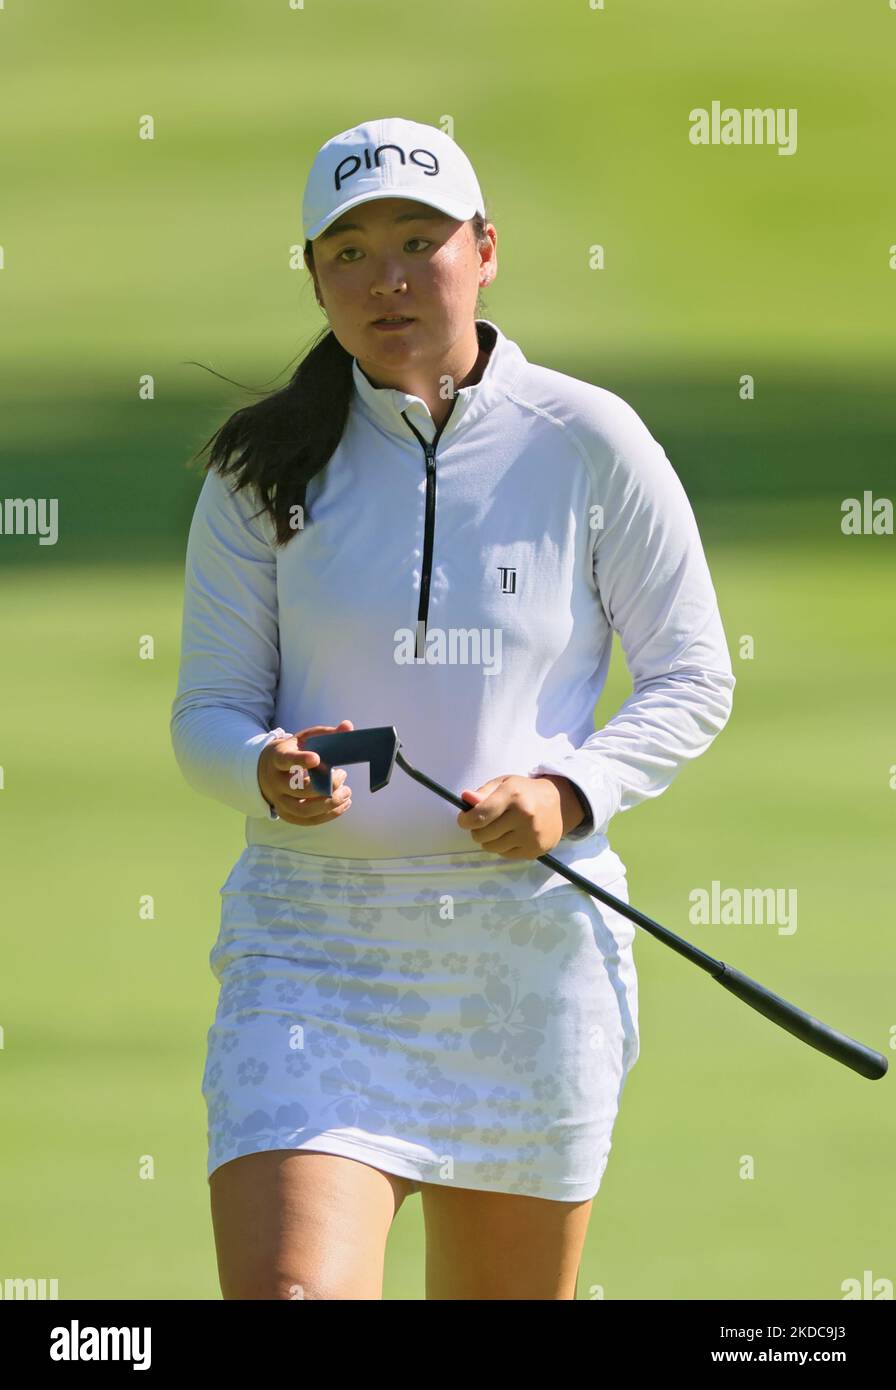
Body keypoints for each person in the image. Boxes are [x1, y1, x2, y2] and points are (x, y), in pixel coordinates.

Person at [169, 116, 736, 1300]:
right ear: (313, 274)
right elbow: (210, 709)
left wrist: (569, 790)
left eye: (417, 240)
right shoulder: (260, 467)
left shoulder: (586, 441)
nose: (383, 276)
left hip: (522, 954)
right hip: (310, 949)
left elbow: (692, 676)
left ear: (484, 249)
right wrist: (262, 765)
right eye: (347, 250)